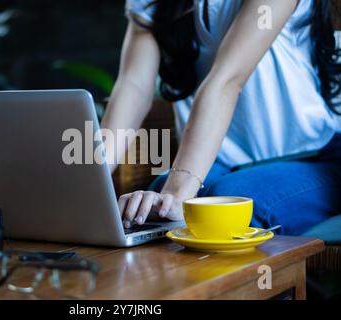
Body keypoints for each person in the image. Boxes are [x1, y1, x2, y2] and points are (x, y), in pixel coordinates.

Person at [100, 0, 341, 235]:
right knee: (153, 207)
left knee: (228, 204)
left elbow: (227, 80)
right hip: (222, 161)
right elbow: (133, 87)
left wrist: (176, 194)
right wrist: (91, 177)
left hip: (314, 156)